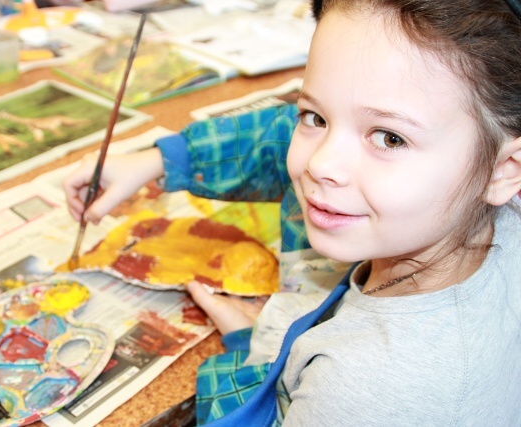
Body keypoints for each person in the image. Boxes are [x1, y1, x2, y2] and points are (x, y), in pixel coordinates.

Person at [63, 0, 521, 424]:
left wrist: (248, 357)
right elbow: (282, 126)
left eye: (389, 138)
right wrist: (163, 160)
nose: (320, 164)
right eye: (315, 118)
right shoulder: (486, 198)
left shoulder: (359, 390)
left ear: (504, 170)